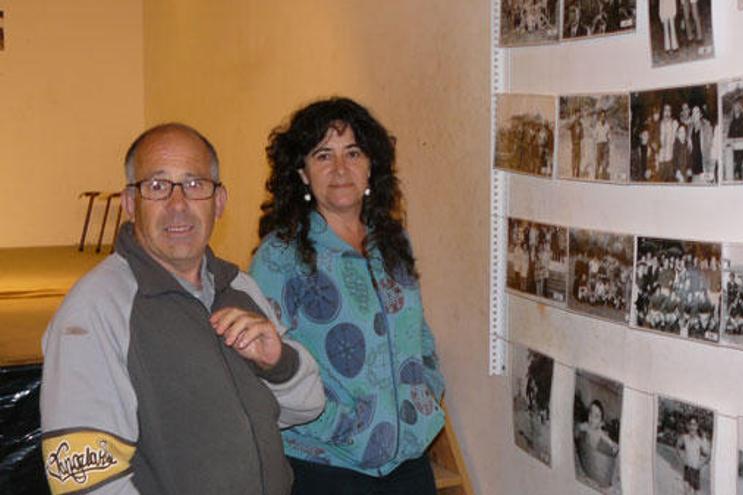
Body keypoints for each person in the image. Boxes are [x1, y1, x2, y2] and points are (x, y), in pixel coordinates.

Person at [39, 124, 325, 494]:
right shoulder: (96, 309)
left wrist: (278, 363)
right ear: (130, 203)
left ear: (218, 202)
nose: (178, 205)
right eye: (157, 186)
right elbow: (85, 482)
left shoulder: (240, 288)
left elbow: (307, 408)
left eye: (194, 185)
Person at [250, 98, 446, 495]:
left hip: (408, 461)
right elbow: (264, 368)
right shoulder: (278, 256)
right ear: (303, 173)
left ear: (371, 164)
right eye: (323, 155)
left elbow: (415, 331)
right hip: (327, 466)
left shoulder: (392, 241)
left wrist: (427, 392)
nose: (340, 169)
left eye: (353, 152)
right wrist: (341, 426)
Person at [676, 416, 710, 495]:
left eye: (694, 425)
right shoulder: (684, 437)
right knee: (686, 491)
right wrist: (681, 460)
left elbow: (708, 455)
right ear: (688, 426)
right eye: (690, 424)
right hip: (687, 469)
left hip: (695, 470)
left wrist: (701, 464)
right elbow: (677, 447)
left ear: (697, 426)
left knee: (695, 492)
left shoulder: (700, 440)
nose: (692, 427)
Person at [594, 109, 611, 180]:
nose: (603, 118)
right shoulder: (597, 125)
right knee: (598, 161)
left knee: (605, 162)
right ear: (600, 117)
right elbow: (595, 136)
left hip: (605, 145)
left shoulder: (607, 126)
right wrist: (596, 144)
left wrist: (608, 145)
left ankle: (604, 176)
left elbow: (609, 136)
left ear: (605, 117)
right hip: (599, 145)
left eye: (604, 116)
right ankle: (596, 176)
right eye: (601, 116)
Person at [568, 107, 585, 177]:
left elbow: (582, 136)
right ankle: (573, 173)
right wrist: (573, 121)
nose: (578, 116)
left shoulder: (581, 124)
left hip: (579, 144)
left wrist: (581, 135)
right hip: (574, 144)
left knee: (578, 159)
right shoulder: (573, 123)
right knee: (573, 159)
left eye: (579, 114)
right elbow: (567, 127)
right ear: (575, 115)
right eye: (577, 114)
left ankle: (577, 174)